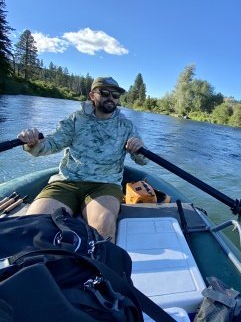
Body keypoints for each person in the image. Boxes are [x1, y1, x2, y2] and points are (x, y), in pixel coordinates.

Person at [17, 76, 147, 242]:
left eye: (115, 95)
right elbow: (49, 145)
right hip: (66, 182)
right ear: (92, 95)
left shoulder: (126, 126)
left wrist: (138, 149)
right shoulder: (75, 119)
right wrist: (32, 142)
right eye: (105, 93)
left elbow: (143, 160)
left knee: (103, 229)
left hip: (105, 185)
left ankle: (96, 266)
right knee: (34, 225)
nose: (111, 98)